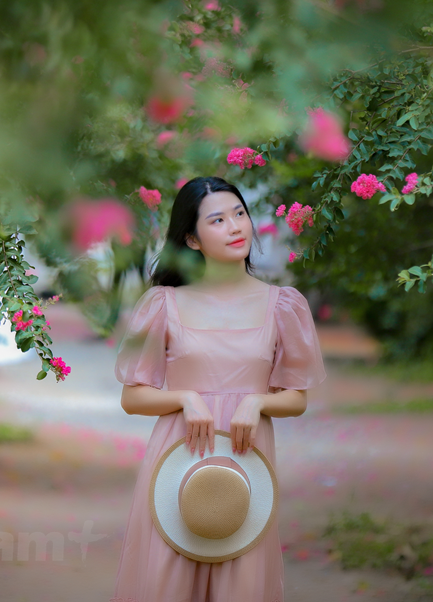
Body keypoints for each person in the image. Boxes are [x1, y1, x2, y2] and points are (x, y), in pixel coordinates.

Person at [111, 176, 326, 602]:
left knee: (240, 586)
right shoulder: (163, 304)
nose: (236, 227)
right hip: (177, 463)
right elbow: (132, 397)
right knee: (166, 587)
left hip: (248, 467)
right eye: (218, 220)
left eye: (240, 214)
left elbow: (296, 398)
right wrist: (185, 397)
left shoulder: (282, 305)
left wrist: (258, 402)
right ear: (191, 239)